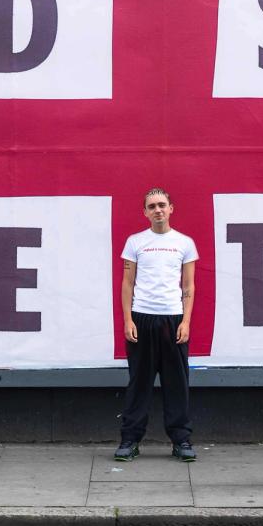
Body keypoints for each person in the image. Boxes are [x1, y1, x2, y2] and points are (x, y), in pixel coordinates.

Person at [114, 187, 198, 462]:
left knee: (177, 383)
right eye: (152, 206)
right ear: (145, 212)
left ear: (171, 208)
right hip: (142, 318)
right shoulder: (135, 242)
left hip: (173, 320)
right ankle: (130, 440)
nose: (157, 210)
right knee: (139, 383)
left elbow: (188, 285)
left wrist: (186, 321)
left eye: (162, 205)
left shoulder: (184, 243)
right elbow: (127, 283)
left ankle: (181, 440)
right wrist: (128, 319)